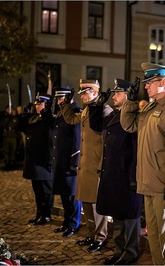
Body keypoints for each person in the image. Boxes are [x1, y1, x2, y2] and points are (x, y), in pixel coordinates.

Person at [120, 63, 165, 265]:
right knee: (154, 236)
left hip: (164, 186)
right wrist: (131, 102)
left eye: (150, 82)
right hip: (149, 182)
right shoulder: (153, 106)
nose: (146, 87)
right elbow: (129, 125)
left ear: (163, 82)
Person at [59, 79, 113, 252]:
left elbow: (106, 140)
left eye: (85, 92)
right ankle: (91, 234)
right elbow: (70, 119)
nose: (82, 95)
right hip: (85, 165)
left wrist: (102, 164)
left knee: (97, 205)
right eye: (81, 93)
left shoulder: (104, 110)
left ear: (95, 92)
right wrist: (66, 104)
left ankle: (101, 237)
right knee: (87, 204)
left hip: (96, 166)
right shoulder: (88, 110)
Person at [96, 79, 143, 265]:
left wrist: (134, 176)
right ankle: (119, 250)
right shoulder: (115, 115)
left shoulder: (135, 115)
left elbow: (136, 148)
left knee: (130, 216)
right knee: (117, 213)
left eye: (118, 93)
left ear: (128, 95)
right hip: (114, 172)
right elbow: (95, 124)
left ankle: (130, 252)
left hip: (127, 173)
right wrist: (99, 104)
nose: (114, 96)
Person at [18, 93, 54, 225]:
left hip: (44, 161)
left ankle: (47, 214)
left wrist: (46, 111)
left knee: (46, 191)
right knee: (38, 190)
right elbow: (22, 128)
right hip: (34, 160)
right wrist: (23, 115)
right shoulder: (34, 119)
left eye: (40, 104)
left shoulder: (49, 118)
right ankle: (39, 213)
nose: (37, 106)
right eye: (37, 104)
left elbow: (49, 127)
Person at [51, 88, 82, 238]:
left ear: (69, 98)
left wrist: (74, 162)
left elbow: (77, 140)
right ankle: (66, 222)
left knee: (72, 196)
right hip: (61, 160)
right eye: (57, 99)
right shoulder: (61, 113)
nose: (58, 102)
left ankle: (73, 224)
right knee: (64, 194)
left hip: (70, 161)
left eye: (61, 99)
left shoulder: (75, 112)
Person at [1, 105, 20, 170]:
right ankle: (7, 163)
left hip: (13, 136)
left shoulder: (15, 118)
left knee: (13, 150)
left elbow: (16, 125)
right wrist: (8, 117)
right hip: (6, 136)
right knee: (6, 151)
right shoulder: (4, 117)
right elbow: (2, 124)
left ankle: (12, 163)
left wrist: (12, 117)